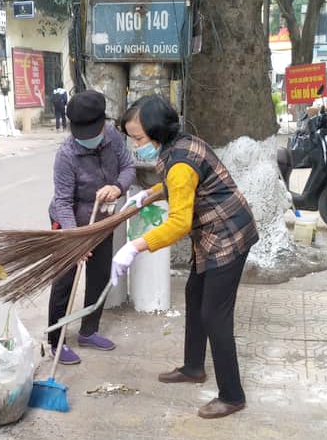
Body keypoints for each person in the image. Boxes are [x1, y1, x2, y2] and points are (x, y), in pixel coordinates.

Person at [112, 95, 258, 419]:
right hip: (212, 232)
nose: (135, 145)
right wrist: (146, 196)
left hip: (228, 235)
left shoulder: (179, 161)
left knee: (215, 315)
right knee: (194, 296)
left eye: (138, 138)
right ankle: (193, 367)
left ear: (158, 131)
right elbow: (174, 185)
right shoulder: (179, 143)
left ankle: (232, 395)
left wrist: (134, 246)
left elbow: (179, 222)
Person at [48, 90, 135, 364]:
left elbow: (128, 167)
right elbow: (62, 201)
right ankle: (55, 340)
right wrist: (76, 239)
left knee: (98, 276)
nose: (86, 139)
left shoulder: (113, 138)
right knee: (65, 281)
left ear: (102, 124)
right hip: (70, 223)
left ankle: (88, 330)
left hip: (102, 219)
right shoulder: (66, 154)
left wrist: (117, 187)